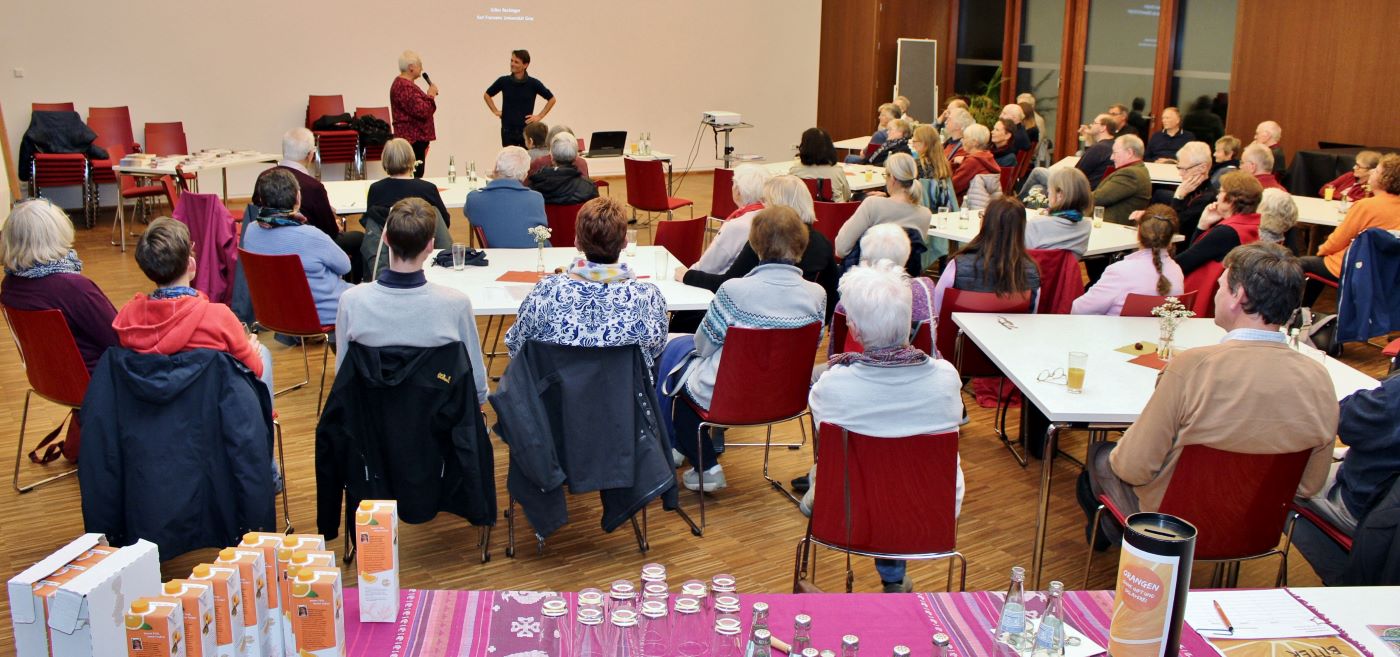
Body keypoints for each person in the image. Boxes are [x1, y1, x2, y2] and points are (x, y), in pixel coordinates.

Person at [1081, 242, 1337, 546]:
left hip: (1175, 524)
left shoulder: (1192, 367)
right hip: (1253, 524)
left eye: (1220, 287)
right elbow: (1308, 485)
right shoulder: (1319, 379)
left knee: (1100, 459)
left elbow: (1133, 467)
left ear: (1238, 296)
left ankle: (1129, 548)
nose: (1214, 294)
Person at [801, 261, 963, 592]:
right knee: (895, 474)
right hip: (932, 510)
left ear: (855, 332)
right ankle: (894, 579)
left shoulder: (832, 387)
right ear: (908, 322)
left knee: (855, 474)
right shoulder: (948, 378)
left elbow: (827, 447)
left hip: (847, 514)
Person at [666, 206, 826, 492]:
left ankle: (707, 467)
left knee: (678, 381)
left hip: (733, 394)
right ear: (801, 243)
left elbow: (703, 344)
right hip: (786, 395)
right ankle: (688, 451)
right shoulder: (817, 295)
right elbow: (812, 344)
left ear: (756, 243)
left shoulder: (734, 290)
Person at [335, 198, 488, 405]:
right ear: (430, 246)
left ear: (386, 239)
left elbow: (343, 379)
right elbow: (477, 386)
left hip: (371, 426)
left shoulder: (351, 301)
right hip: (436, 427)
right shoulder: (456, 304)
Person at [505, 196, 667, 365]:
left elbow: (515, 346)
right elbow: (656, 350)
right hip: (624, 389)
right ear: (625, 242)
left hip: (558, 389)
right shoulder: (648, 297)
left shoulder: (546, 291)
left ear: (577, 242)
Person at [115, 218, 271, 390]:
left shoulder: (128, 317)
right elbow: (255, 369)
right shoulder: (219, 317)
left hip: (152, 408)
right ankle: (267, 418)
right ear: (191, 263)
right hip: (210, 408)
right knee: (263, 353)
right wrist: (249, 350)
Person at [677, 176, 839, 315]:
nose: (762, 207)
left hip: (753, 323)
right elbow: (831, 298)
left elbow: (728, 284)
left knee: (685, 320)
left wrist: (689, 276)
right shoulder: (823, 244)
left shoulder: (766, 240)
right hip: (799, 330)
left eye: (766, 202)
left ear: (777, 207)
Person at [1294, 372, 1400, 579]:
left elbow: (1340, 418)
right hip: (1385, 501)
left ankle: (1346, 582)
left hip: (1368, 508)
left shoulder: (1393, 396)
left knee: (1279, 485)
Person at [0, 200, 119, 372]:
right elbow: (119, 337)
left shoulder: (9, 285)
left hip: (48, 378)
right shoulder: (72, 288)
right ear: (56, 233)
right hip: (96, 380)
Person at [240, 168, 352, 328]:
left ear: (262, 200)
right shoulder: (311, 235)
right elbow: (345, 266)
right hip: (323, 313)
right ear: (298, 197)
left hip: (273, 313)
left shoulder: (250, 231)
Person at [1300, 153, 1400, 304]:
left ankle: (1294, 313)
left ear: (1386, 179)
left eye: (1377, 171)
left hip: (1355, 268)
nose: (1372, 173)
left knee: (1300, 263)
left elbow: (1337, 241)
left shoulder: (1366, 206)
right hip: (1384, 273)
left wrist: (1322, 251)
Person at [271, 128, 366, 283]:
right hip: (307, 244)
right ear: (310, 155)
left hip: (272, 242)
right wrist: (335, 223)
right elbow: (330, 232)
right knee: (359, 238)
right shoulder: (312, 187)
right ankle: (350, 285)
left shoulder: (264, 178)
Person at [827, 224, 938, 356]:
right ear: (906, 255)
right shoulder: (925, 287)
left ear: (866, 260)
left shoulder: (850, 300)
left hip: (865, 370)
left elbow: (834, 353)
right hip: (923, 367)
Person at [932, 197, 1041, 316]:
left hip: (959, 333)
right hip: (1009, 333)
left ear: (986, 224)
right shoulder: (1032, 272)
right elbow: (1031, 314)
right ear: (1021, 229)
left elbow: (936, 308)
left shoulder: (958, 266)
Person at [1070, 205, 1183, 316]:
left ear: (1138, 232)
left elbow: (1079, 310)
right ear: (1171, 239)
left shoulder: (1121, 272)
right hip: (1158, 333)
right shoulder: (1177, 271)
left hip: (1112, 333)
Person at [834, 153, 931, 257]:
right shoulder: (925, 215)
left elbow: (841, 248)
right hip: (903, 272)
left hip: (870, 270)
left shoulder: (872, 205)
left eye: (886, 175)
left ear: (893, 178)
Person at [1175, 171, 1263, 275]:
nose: (1217, 196)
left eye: (1221, 192)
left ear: (1232, 198)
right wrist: (1203, 225)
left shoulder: (1226, 232)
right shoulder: (1251, 224)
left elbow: (1181, 264)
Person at [692, 164, 773, 274]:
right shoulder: (775, 217)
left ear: (737, 191)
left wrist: (686, 273)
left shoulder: (737, 225)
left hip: (726, 284)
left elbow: (707, 267)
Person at [463, 146, 548, 248]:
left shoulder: (474, 200)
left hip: (495, 259)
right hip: (534, 258)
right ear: (525, 175)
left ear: (495, 169)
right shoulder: (536, 199)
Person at [483, 49, 556, 147]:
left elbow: (551, 99)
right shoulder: (503, 81)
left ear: (525, 65)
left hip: (526, 131)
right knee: (509, 159)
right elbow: (487, 95)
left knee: (525, 159)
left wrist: (539, 116)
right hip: (507, 131)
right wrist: (495, 111)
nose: (512, 64)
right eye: (511, 61)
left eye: (516, 62)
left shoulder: (533, 83)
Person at [389, 50, 438, 178]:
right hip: (412, 139)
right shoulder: (404, 87)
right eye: (419, 65)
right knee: (414, 176)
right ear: (411, 67)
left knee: (416, 174)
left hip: (415, 139)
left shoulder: (405, 85)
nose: (422, 68)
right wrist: (430, 95)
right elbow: (422, 111)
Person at [1025, 167, 1094, 257]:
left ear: (1060, 195)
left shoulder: (1036, 225)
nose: (1048, 194)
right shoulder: (1086, 227)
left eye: (1049, 191)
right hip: (1066, 271)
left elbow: (1021, 259)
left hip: (1036, 270)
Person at [1092, 134, 1151, 225]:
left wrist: (1071, 198)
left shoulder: (1130, 174)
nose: (1111, 157)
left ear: (1129, 153)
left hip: (1110, 229)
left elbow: (1098, 198)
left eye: (1115, 153)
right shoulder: (1137, 170)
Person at [528, 133, 599, 206]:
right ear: (575, 157)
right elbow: (594, 215)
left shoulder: (533, 187)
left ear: (551, 157)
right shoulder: (589, 188)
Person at [1166, 141, 1216, 236]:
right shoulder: (1189, 188)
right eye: (1179, 168)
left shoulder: (1206, 198)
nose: (1180, 173)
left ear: (1202, 168)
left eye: (1184, 169)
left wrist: (1178, 197)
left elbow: (1173, 227)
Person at [790, 127, 852, 202]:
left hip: (804, 211)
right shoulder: (837, 170)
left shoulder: (795, 169)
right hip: (834, 212)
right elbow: (847, 196)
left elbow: (791, 194)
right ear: (829, 147)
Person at [950, 124, 1000, 206]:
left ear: (974, 142)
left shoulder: (972, 162)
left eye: (964, 138)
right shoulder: (987, 158)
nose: (961, 141)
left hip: (965, 207)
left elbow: (953, 187)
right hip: (985, 205)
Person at [910, 124, 957, 209]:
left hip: (922, 211)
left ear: (924, 143)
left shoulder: (918, 165)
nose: (913, 145)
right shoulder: (944, 164)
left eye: (914, 141)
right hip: (942, 210)